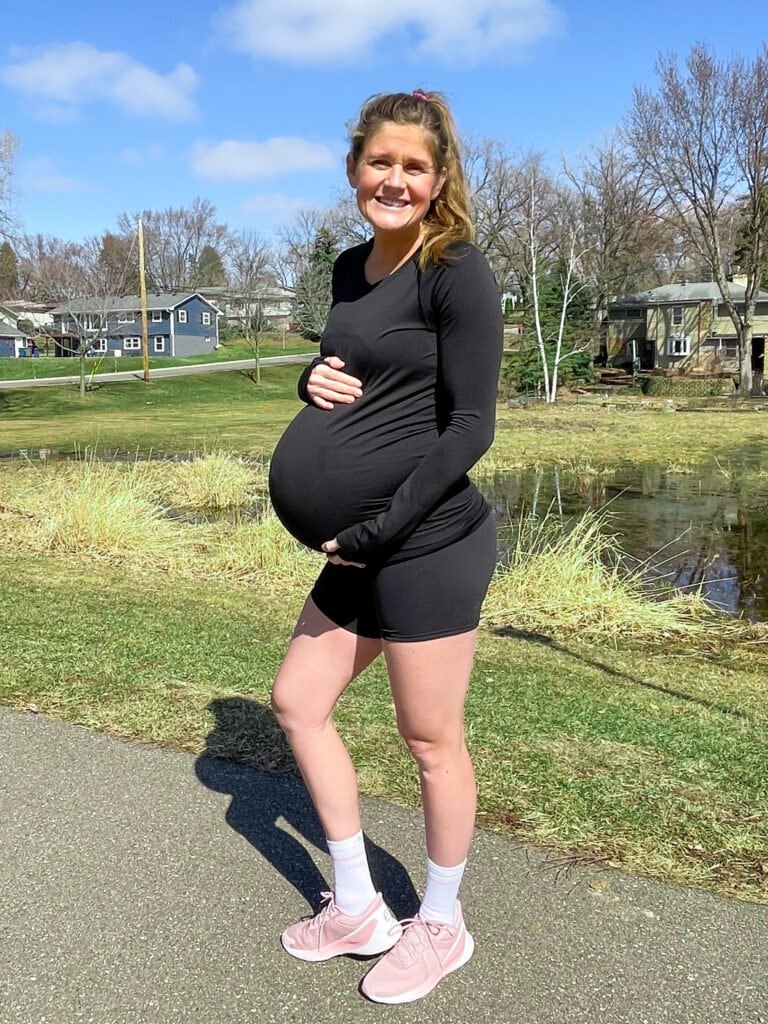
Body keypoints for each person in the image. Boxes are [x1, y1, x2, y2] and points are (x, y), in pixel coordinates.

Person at [268, 89, 504, 1005]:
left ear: (438, 179)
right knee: (298, 700)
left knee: (430, 737)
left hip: (426, 540)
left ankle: (442, 924)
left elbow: (471, 426)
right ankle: (360, 904)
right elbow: (349, 371)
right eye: (380, 163)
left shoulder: (456, 271)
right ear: (354, 169)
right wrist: (307, 373)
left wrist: (377, 529)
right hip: (360, 545)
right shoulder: (347, 269)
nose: (394, 181)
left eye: (413, 167)